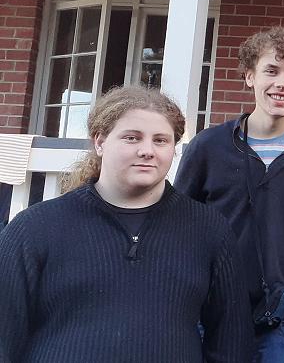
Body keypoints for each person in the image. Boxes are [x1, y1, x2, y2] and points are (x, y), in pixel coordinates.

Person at [0, 86, 252, 362]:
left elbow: (231, 340)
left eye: (161, 140)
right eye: (132, 138)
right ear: (100, 142)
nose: (147, 151)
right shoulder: (35, 229)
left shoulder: (208, 230)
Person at [175, 26, 284, 363]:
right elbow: (176, 230)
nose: (282, 83)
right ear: (250, 76)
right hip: (211, 317)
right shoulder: (208, 147)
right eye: (271, 71)